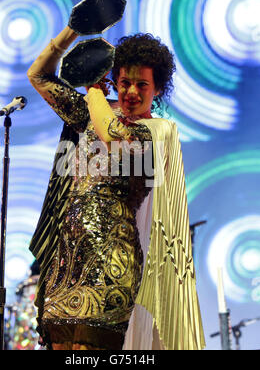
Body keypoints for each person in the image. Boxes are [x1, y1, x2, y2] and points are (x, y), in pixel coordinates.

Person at [27, 25, 205, 350]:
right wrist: (72, 30)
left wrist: (93, 85)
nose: (131, 92)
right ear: (116, 80)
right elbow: (39, 76)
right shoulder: (94, 111)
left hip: (112, 269)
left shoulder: (157, 131)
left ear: (158, 89)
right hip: (65, 268)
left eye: (142, 84)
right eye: (124, 82)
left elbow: (112, 135)